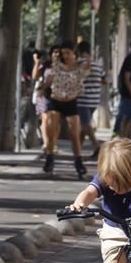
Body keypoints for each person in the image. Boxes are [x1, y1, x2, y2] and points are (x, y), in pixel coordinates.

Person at [42, 40, 89, 178]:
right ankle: (49, 159)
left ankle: (78, 162)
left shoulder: (80, 67)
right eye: (63, 53)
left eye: (68, 53)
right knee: (52, 132)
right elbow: (49, 79)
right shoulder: (56, 65)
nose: (66, 56)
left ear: (74, 53)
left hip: (71, 101)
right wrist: (43, 88)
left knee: (74, 134)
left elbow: (87, 67)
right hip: (56, 100)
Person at [77, 41, 106, 158]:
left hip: (82, 100)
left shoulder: (78, 64)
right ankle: (77, 149)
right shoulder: (98, 65)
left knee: (86, 124)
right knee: (84, 126)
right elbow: (104, 80)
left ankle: (98, 147)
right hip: (94, 100)